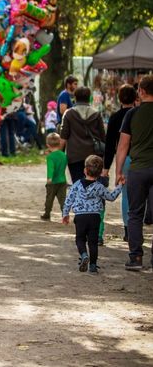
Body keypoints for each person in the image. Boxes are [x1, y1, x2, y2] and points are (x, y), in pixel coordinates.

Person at [116, 74, 153, 271]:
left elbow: (123, 145)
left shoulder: (131, 114)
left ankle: (136, 257)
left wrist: (118, 171)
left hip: (138, 170)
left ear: (142, 91)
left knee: (135, 214)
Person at [62, 155, 122, 274]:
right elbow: (111, 197)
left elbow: (69, 200)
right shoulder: (99, 186)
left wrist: (65, 213)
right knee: (93, 242)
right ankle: (93, 266)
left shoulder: (77, 184)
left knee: (80, 238)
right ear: (100, 173)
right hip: (95, 217)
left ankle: (84, 255)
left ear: (85, 170)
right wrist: (120, 186)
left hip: (80, 217)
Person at [102, 84, 137, 242]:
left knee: (126, 196)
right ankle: (138, 225)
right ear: (135, 97)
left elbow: (110, 145)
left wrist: (106, 168)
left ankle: (128, 229)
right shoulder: (139, 115)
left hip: (125, 159)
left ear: (119, 99)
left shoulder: (115, 117)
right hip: (142, 158)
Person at [60, 86, 105, 183]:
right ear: (89, 97)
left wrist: (59, 153)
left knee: (78, 184)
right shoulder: (96, 114)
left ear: (75, 97)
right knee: (93, 184)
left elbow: (64, 136)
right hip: (93, 155)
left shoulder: (68, 113)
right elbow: (102, 136)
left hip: (74, 155)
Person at [40, 133, 67, 221]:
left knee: (49, 199)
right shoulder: (63, 155)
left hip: (52, 182)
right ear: (59, 143)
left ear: (47, 145)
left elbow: (50, 168)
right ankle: (65, 215)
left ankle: (47, 214)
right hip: (62, 180)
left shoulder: (50, 157)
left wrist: (49, 178)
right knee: (63, 199)